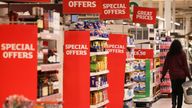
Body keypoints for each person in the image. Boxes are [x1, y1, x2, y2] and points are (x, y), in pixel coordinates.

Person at [161, 40, 192, 108]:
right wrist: (189, 77)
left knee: (174, 91)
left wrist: (163, 75)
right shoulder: (182, 53)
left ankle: (174, 104)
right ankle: (179, 106)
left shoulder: (169, 54)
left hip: (173, 76)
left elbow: (166, 65)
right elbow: (185, 67)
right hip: (181, 76)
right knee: (180, 92)